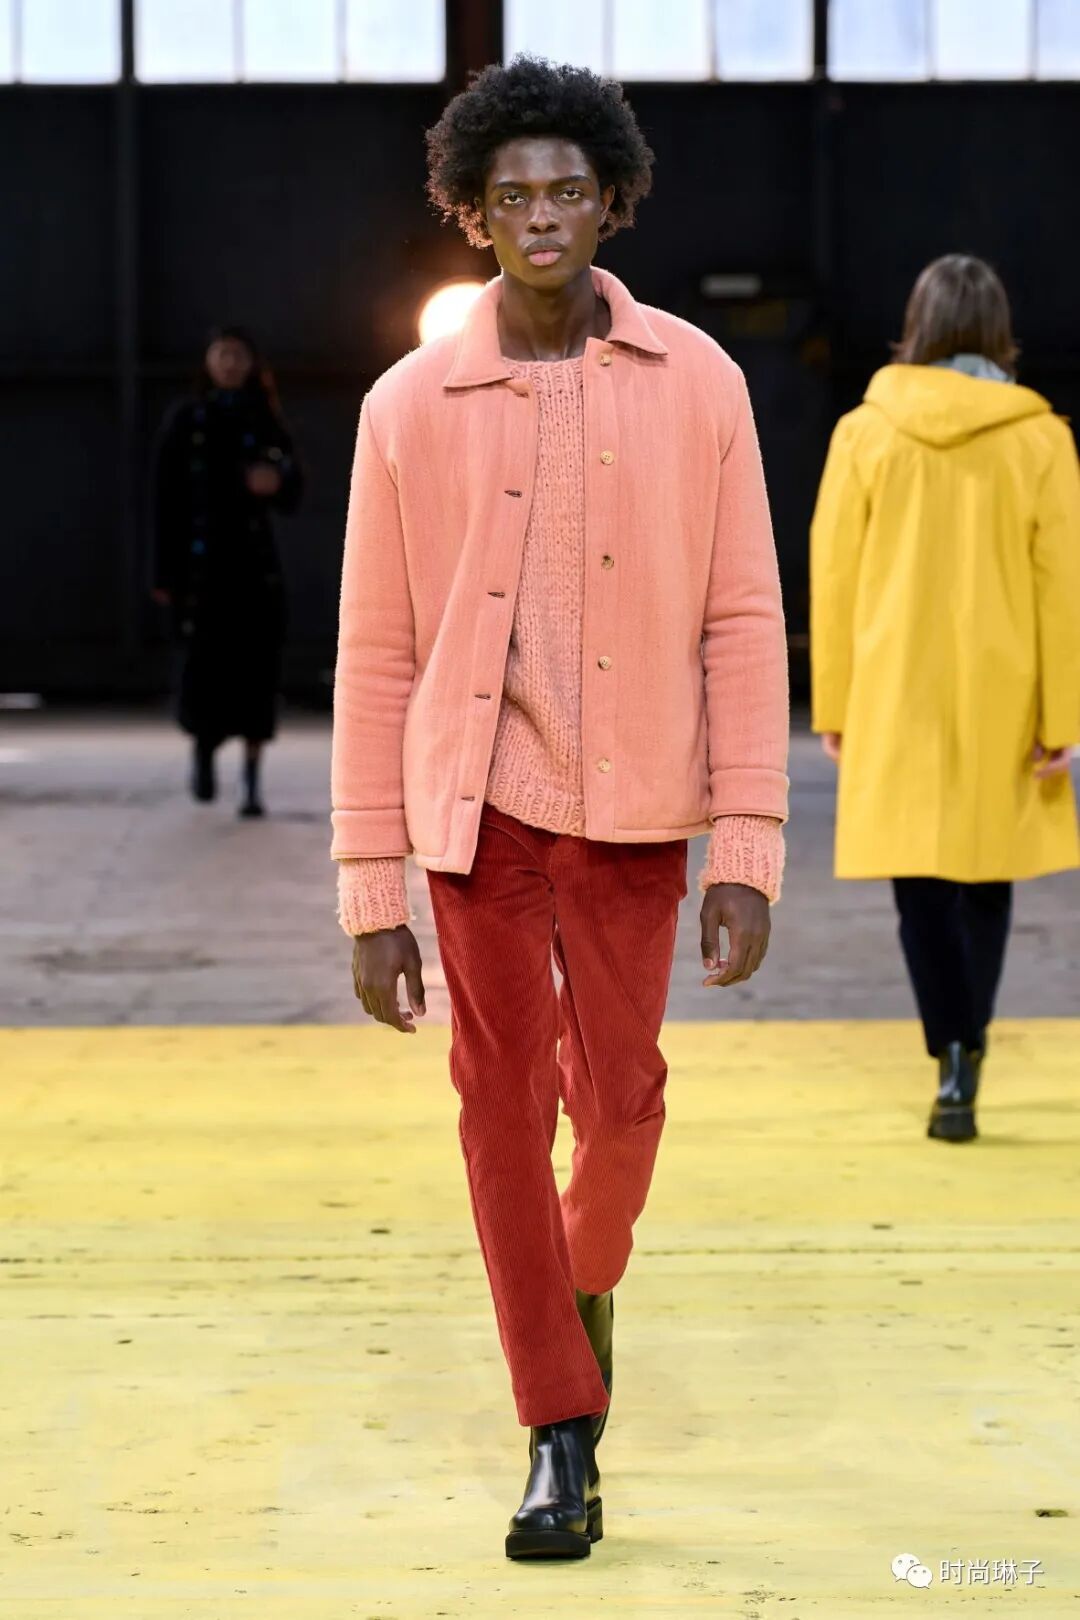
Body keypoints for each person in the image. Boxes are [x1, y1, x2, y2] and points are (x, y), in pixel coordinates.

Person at [330, 56, 789, 1560]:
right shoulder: (408, 405)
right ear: (473, 213)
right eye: (512, 193)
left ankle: (578, 1291)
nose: (541, 214)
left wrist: (749, 844)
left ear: (612, 201)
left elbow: (744, 622)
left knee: (626, 1101)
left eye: (568, 189)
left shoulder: (701, 383)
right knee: (500, 1105)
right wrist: (372, 889)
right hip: (480, 821)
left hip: (642, 815)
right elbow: (376, 653)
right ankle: (557, 1431)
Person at [810, 253, 1080, 1143]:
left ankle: (949, 1049)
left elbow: (835, 575)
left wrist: (835, 702)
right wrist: (1063, 714)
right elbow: (1062, 584)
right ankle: (973, 1048)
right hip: (1006, 684)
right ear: (999, 330)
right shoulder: (1041, 437)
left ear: (916, 326)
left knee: (918, 881)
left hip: (895, 685)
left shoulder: (865, 433)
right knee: (986, 877)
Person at [151, 326, 303, 817]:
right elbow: (164, 498)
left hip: (253, 568)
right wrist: (163, 572)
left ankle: (252, 778)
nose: (230, 363)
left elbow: (294, 485)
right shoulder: (187, 419)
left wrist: (276, 480)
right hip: (202, 568)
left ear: (252, 363)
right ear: (208, 361)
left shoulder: (264, 417)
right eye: (222, 354)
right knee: (204, 669)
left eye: (239, 355)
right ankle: (204, 748)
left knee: (257, 671)